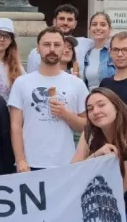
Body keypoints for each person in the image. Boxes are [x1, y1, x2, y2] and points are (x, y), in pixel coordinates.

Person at [8, 27, 89, 172]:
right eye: (46, 45)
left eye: (57, 45)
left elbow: (87, 126)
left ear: (64, 48)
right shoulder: (22, 83)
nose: (52, 49)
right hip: (30, 163)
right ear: (38, 48)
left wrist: (66, 114)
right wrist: (20, 159)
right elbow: (15, 125)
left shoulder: (77, 84)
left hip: (66, 162)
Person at [72, 87, 127, 222]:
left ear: (116, 107)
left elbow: (117, 189)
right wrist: (96, 155)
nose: (96, 111)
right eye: (90, 109)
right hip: (94, 206)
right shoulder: (89, 133)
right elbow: (73, 171)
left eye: (101, 105)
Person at [84, 12, 127, 90]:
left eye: (103, 24)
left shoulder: (119, 51)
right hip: (92, 98)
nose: (98, 28)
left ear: (110, 29)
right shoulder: (87, 54)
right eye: (94, 24)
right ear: (89, 29)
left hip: (115, 97)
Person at [27, 4, 93, 73]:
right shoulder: (36, 52)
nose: (65, 23)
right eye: (62, 19)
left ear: (75, 24)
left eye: (70, 20)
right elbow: (31, 78)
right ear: (54, 21)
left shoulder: (85, 43)